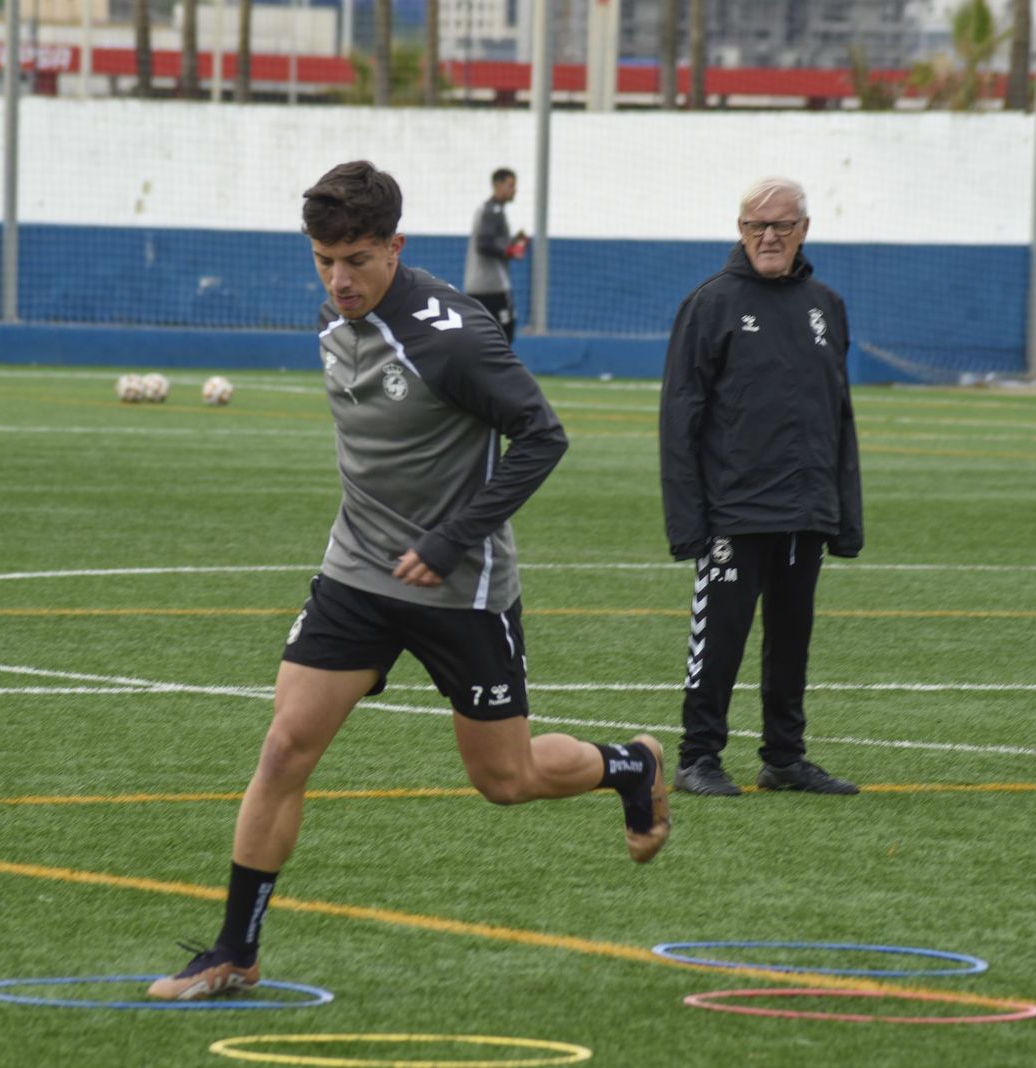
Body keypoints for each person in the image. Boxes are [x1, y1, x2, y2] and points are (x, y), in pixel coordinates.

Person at [147, 160, 669, 1002]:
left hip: (460, 586)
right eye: (323, 261)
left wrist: (451, 537)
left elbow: (542, 435)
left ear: (396, 246)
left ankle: (630, 767)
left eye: (357, 259)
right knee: (284, 747)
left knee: (504, 781)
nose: (339, 280)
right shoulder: (334, 311)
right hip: (356, 571)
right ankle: (233, 952)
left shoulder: (453, 338)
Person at [658, 176, 863, 799]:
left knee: (792, 640)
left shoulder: (826, 306)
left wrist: (843, 515)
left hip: (806, 511)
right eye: (756, 225)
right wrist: (688, 522)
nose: (769, 236)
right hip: (734, 512)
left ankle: (784, 758)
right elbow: (679, 418)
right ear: (740, 230)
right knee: (720, 640)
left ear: (804, 230)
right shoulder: (710, 304)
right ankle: (699, 757)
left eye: (781, 225)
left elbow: (839, 416)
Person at [465, 167, 528, 342]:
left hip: (478, 286)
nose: (514, 190)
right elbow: (484, 244)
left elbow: (492, 242)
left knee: (483, 338)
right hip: (492, 287)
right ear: (497, 185)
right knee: (505, 334)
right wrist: (511, 251)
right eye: (510, 185)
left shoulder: (489, 209)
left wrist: (513, 242)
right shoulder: (494, 211)